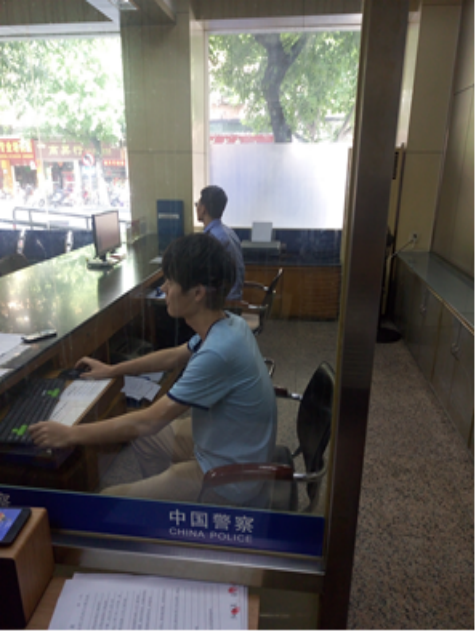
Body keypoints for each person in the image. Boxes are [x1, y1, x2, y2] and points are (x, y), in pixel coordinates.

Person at [30, 233, 277, 506]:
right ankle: (166, 506)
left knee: (108, 500)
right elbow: (174, 356)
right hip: (226, 440)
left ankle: (172, 504)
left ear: (197, 293)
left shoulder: (217, 352)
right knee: (143, 438)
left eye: (170, 281)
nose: (163, 288)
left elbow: (149, 421)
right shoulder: (228, 323)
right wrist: (112, 369)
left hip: (230, 477)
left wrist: (70, 434)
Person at [195, 185, 245, 301]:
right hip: (233, 297)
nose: (196, 208)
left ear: (203, 208)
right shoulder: (228, 232)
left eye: (197, 204)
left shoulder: (213, 238)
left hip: (224, 302)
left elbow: (205, 275)